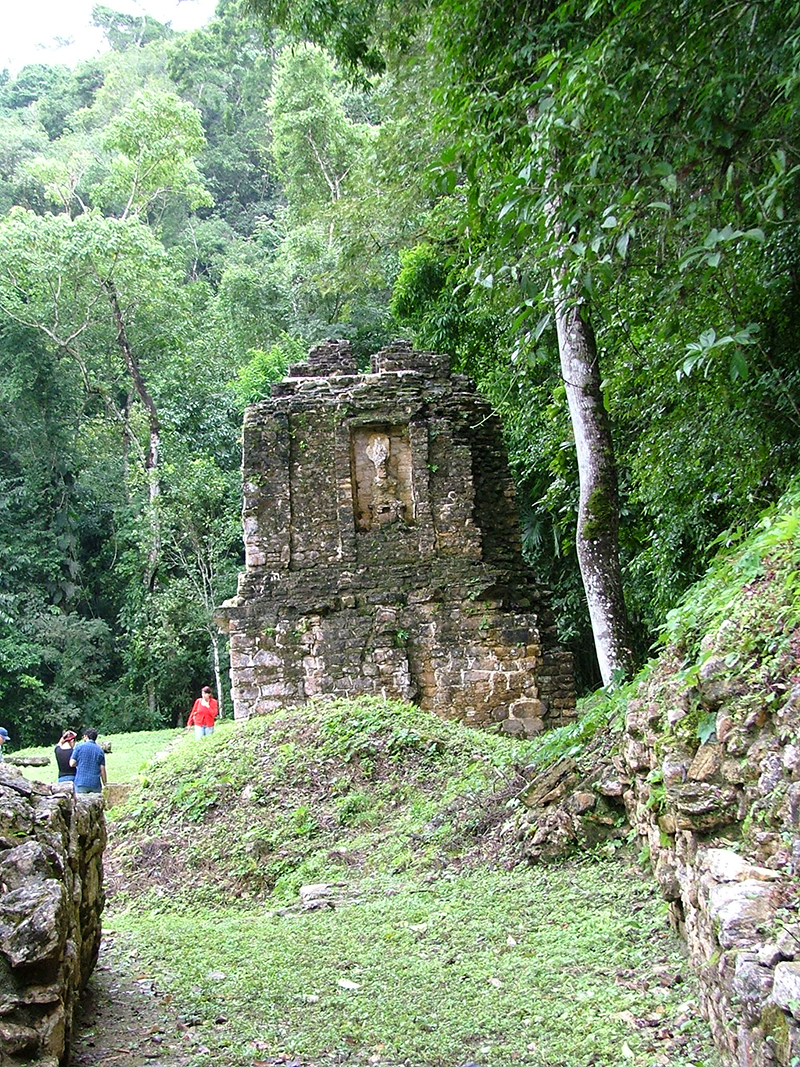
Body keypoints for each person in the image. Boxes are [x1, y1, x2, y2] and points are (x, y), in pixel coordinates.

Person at [69, 728, 107, 794]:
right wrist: (105, 783)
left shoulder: (79, 746)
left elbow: (72, 763)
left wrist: (80, 763)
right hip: (95, 784)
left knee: (81, 803)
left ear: (86, 736)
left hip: (81, 782)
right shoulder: (100, 750)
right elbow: (102, 769)